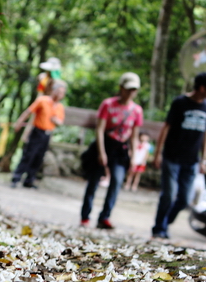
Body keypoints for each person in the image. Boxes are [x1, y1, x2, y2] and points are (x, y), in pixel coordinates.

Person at [80, 72, 143, 229]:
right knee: (93, 182)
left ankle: (104, 217)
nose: (130, 93)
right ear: (121, 88)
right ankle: (85, 216)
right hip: (104, 145)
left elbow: (134, 137)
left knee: (116, 181)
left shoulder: (136, 110)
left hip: (120, 150)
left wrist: (134, 158)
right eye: (128, 89)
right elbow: (100, 129)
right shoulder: (108, 104)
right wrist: (102, 153)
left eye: (134, 90)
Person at [152, 72, 206, 239]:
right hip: (172, 157)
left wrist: (203, 159)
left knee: (184, 199)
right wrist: (158, 153)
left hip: (191, 161)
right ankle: (159, 228)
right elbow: (166, 128)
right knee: (168, 194)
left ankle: (164, 222)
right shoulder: (180, 102)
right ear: (202, 87)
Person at [11, 81, 67, 189]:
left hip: (47, 134)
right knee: (28, 155)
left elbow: (61, 121)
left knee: (39, 157)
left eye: (62, 93)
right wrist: (19, 122)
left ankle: (29, 181)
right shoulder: (42, 100)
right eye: (59, 92)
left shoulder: (60, 107)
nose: (60, 94)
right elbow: (28, 111)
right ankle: (16, 178)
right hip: (37, 132)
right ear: (53, 91)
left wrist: (56, 121)